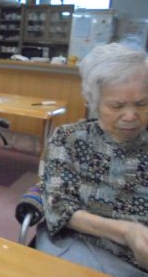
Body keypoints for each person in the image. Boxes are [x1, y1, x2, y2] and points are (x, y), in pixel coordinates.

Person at [36, 43, 148, 276]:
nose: (130, 116)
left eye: (141, 104)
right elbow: (58, 207)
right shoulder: (71, 139)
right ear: (94, 103)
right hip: (83, 245)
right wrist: (127, 232)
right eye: (117, 105)